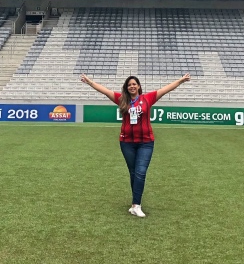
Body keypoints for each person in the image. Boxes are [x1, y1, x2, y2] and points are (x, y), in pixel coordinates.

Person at [80, 72, 191, 218]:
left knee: (140, 172)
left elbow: (166, 89)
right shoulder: (122, 99)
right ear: (127, 88)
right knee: (133, 173)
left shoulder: (148, 98)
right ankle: (135, 203)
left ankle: (136, 205)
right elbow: (104, 90)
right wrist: (90, 82)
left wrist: (181, 80)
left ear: (139, 86)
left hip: (146, 142)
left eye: (134, 84)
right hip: (127, 143)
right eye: (129, 84)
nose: (132, 86)